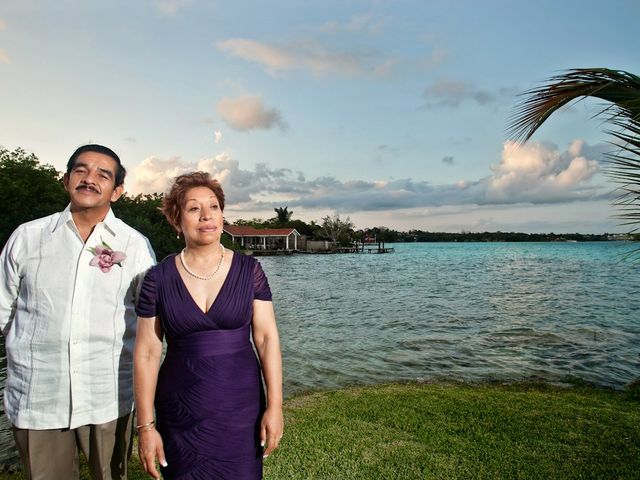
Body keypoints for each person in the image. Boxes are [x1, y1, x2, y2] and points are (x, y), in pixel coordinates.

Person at [0, 144, 156, 479]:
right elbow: (3, 311)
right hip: (38, 394)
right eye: (81, 170)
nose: (89, 179)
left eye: (103, 174)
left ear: (116, 192)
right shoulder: (27, 238)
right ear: (65, 179)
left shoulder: (135, 246)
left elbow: (151, 324)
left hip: (108, 397)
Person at [134, 171, 283, 480]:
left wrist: (275, 406)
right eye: (193, 208)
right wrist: (146, 426)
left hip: (241, 407)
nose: (206, 216)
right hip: (180, 408)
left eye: (213, 206)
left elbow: (267, 339)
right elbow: (147, 354)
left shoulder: (249, 270)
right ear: (177, 220)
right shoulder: (157, 279)